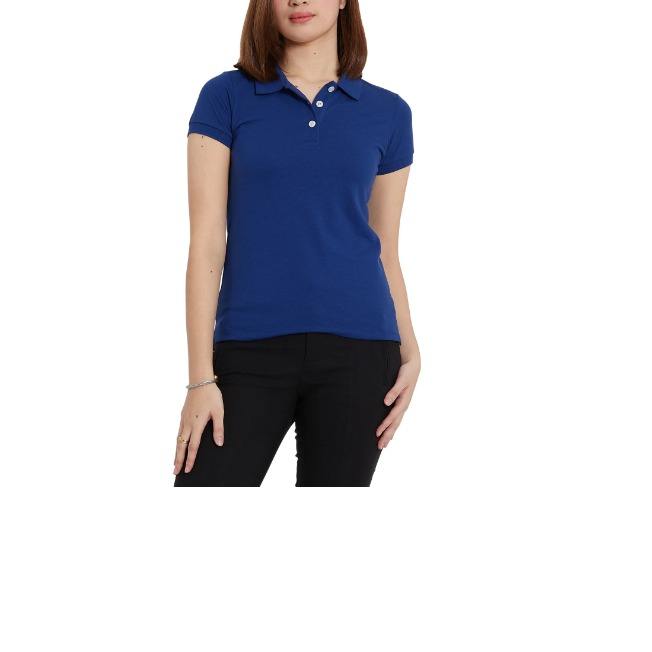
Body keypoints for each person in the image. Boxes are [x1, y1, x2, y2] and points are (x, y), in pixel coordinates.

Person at [173, 0, 420, 487]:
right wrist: (201, 378)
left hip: (361, 350)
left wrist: (411, 351)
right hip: (248, 349)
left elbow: (384, 249)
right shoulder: (225, 97)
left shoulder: (389, 113)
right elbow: (206, 243)